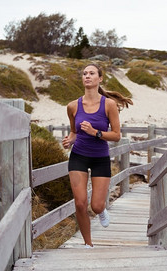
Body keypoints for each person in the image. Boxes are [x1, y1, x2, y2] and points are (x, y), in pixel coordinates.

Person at [62, 63, 132, 248]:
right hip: (78, 156)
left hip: (100, 157)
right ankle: (88, 243)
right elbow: (74, 132)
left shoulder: (108, 105)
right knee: (80, 203)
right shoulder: (72, 106)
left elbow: (117, 136)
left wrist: (96, 132)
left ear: (99, 78)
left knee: (97, 206)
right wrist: (69, 140)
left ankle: (102, 211)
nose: (87, 76)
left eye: (91, 73)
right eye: (84, 73)